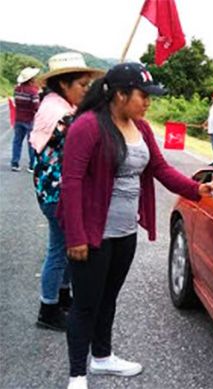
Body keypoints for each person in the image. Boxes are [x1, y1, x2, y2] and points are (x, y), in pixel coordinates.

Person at [57, 62, 212, 389]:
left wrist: (197, 189)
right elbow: (70, 183)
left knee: (108, 297)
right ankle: (77, 375)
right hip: (91, 233)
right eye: (144, 95)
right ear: (121, 94)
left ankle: (102, 357)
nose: (148, 102)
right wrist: (76, 236)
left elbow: (160, 168)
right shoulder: (87, 126)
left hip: (124, 233)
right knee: (85, 304)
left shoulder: (140, 128)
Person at [30, 52, 104, 332]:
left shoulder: (52, 104)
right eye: (82, 85)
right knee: (60, 251)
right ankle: (47, 309)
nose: (86, 90)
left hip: (50, 193)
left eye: (88, 85)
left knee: (61, 249)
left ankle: (61, 299)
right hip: (58, 196)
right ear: (64, 85)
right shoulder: (63, 116)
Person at [11, 66, 40, 172]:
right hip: (30, 120)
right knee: (31, 143)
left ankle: (15, 163)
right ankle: (31, 165)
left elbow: (15, 102)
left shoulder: (17, 89)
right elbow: (36, 107)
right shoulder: (33, 92)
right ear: (31, 79)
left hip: (18, 119)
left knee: (17, 141)